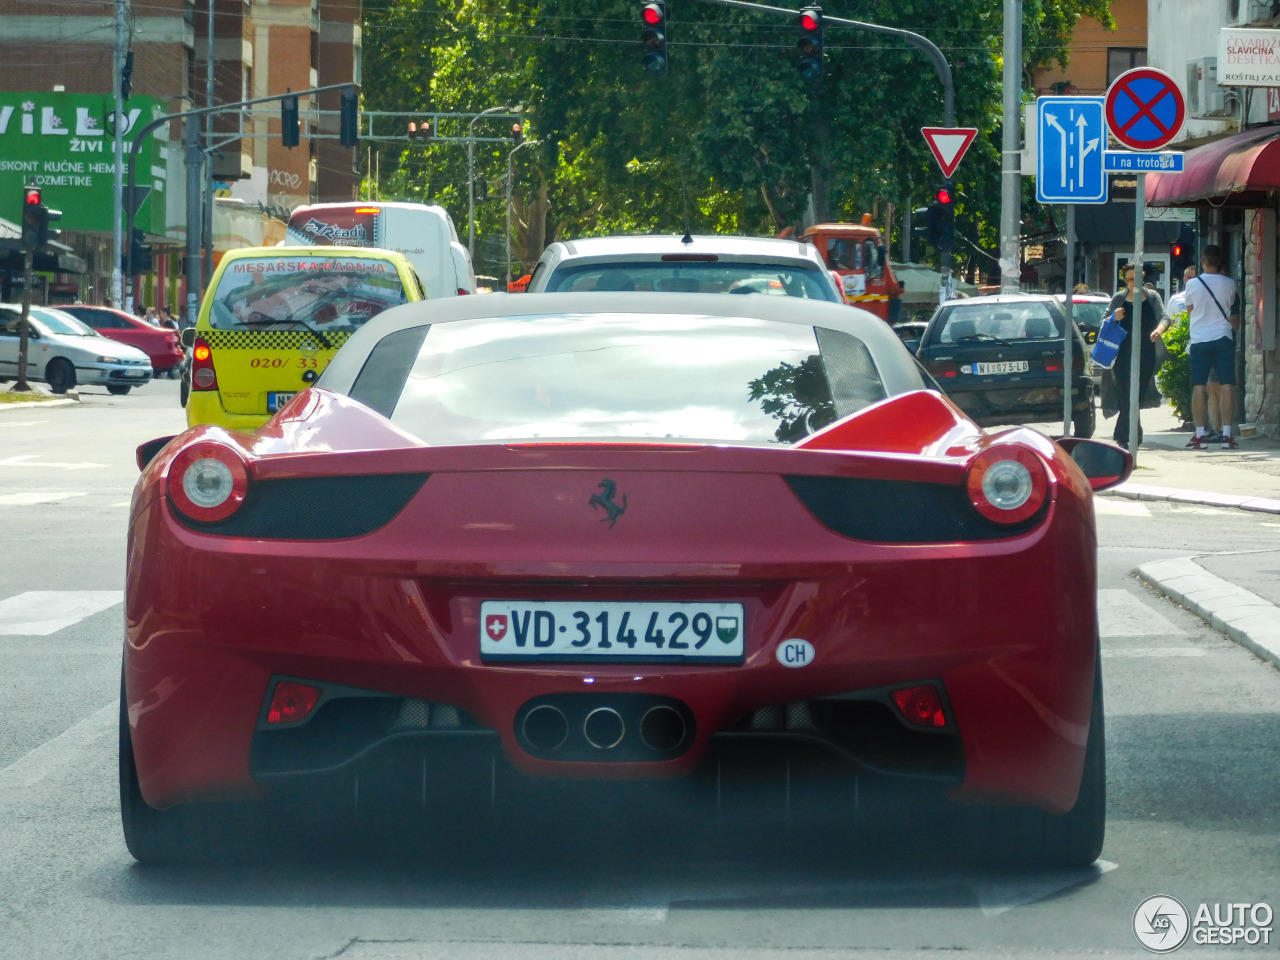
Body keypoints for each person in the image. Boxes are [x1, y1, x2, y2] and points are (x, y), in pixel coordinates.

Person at [1182, 245, 1240, 450]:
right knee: (1227, 385)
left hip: (1199, 339)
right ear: (1220, 262)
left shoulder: (1192, 285)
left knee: (1199, 386)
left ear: (1203, 262)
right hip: (1223, 338)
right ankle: (1226, 434)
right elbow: (1230, 306)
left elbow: (1190, 311)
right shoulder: (1230, 283)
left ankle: (1200, 434)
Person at [1108, 264, 1169, 447]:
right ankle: (1131, 435)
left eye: (1137, 278)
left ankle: (1123, 432)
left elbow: (1165, 317)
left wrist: (1159, 330)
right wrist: (1113, 318)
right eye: (1130, 279)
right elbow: (1104, 321)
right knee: (1126, 393)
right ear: (1125, 281)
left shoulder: (1152, 297)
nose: (1134, 283)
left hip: (1146, 353)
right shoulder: (1119, 298)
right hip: (1122, 354)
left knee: (1138, 395)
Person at [1167, 265, 1224, 439]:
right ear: (1184, 279)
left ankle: (1216, 428)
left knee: (1212, 388)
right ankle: (1202, 428)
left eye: (1195, 277)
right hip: (1194, 345)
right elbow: (1171, 324)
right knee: (1202, 387)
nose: (1192, 280)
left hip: (1208, 342)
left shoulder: (1204, 294)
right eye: (1189, 277)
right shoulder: (1176, 300)